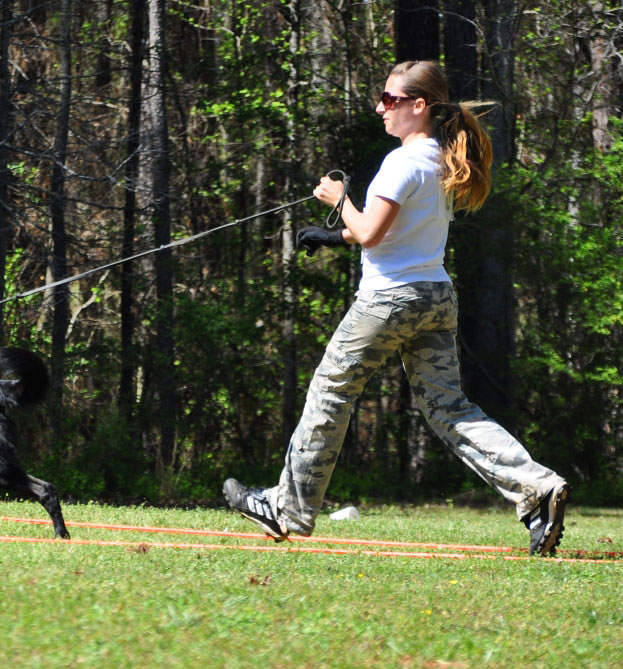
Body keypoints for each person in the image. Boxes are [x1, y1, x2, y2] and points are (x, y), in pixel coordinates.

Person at [223, 60, 569, 556]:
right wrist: (331, 235)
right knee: (450, 408)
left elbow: (371, 232)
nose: (380, 108)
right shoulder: (439, 159)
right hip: (435, 296)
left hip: (388, 301)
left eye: (390, 99)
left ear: (418, 105)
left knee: (329, 392)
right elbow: (393, 233)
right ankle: (537, 489)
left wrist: (339, 199)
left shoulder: (402, 162)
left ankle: (287, 508)